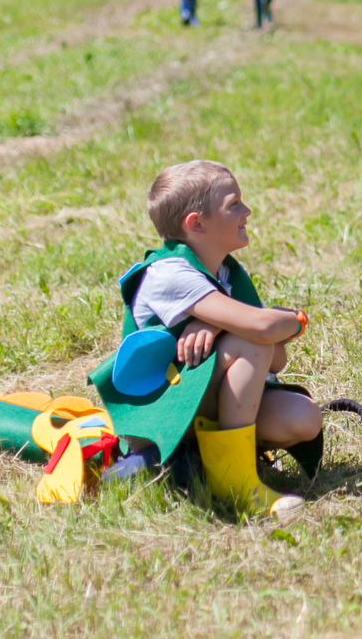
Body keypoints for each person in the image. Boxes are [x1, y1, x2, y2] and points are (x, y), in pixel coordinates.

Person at [127, 160, 321, 516]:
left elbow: (277, 360)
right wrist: (290, 320)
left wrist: (220, 324)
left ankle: (210, 459)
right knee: (249, 340)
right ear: (196, 223)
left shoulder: (226, 273)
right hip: (161, 411)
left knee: (305, 418)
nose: (247, 211)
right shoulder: (170, 274)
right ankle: (235, 481)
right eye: (234, 204)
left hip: (201, 400)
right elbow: (263, 331)